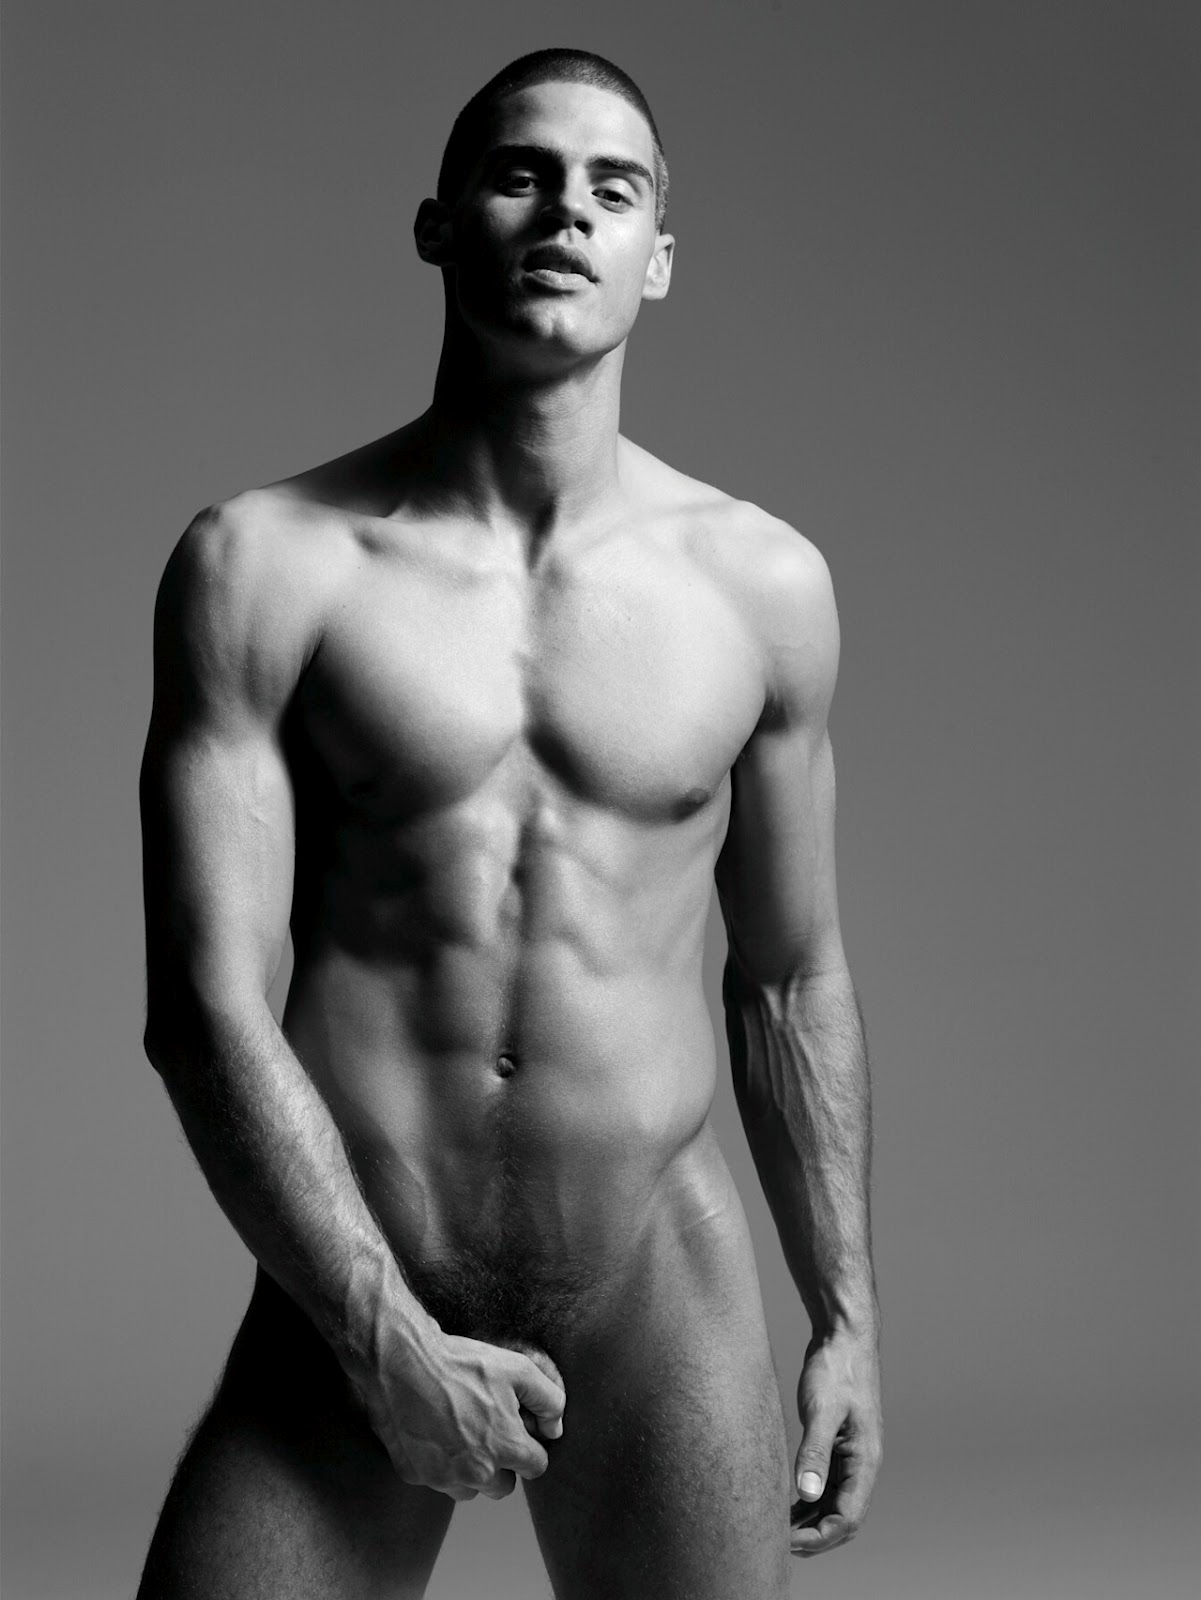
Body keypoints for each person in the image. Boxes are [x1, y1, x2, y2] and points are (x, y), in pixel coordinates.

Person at [136, 46, 882, 1599]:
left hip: (652, 1282)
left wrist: (847, 1316)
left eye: (613, 189)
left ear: (656, 257)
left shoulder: (761, 588)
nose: (564, 213)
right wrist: (379, 1335)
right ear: (436, 224)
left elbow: (787, 979)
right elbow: (204, 1010)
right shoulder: (266, 567)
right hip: (360, 1263)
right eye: (519, 175)